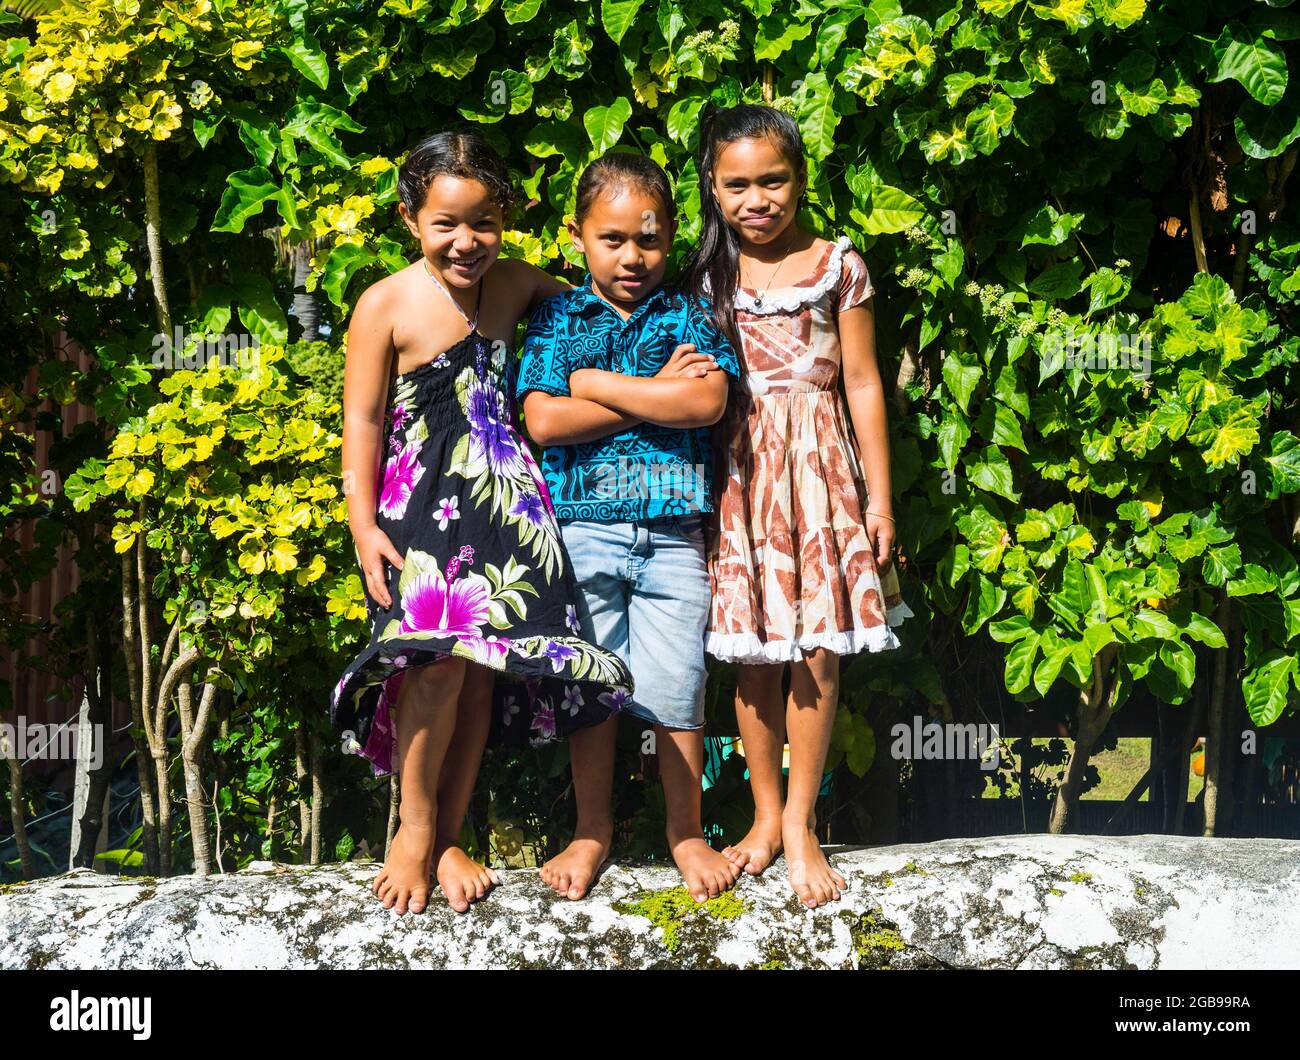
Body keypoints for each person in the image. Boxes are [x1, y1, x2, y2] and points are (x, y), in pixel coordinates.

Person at [331, 132, 633, 916]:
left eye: (485, 223)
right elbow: (362, 422)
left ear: (504, 220)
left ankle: (450, 834)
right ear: (409, 219)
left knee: (478, 676)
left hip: (505, 502)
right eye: (445, 224)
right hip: (418, 505)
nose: (466, 242)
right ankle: (415, 829)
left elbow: (593, 292)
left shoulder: (515, 285)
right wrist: (362, 525)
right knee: (432, 668)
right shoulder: (386, 304)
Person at [680, 104, 913, 909]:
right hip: (737, 475)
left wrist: (879, 501)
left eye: (773, 180)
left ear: (801, 178)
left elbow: (862, 382)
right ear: (712, 187)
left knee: (817, 651)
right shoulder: (702, 279)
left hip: (818, 473)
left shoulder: (836, 264)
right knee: (753, 652)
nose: (757, 199)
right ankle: (766, 816)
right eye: (737, 183)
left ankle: (806, 822)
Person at [517, 153, 743, 903]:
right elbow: (546, 421)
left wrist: (601, 387)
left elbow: (705, 405)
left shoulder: (689, 312)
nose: (632, 256)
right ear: (576, 237)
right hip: (582, 529)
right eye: (611, 239)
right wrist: (656, 392)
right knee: (593, 685)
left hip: (674, 531)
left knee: (680, 688)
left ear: (672, 235)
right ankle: (593, 828)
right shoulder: (557, 319)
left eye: (648, 239)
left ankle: (685, 829)